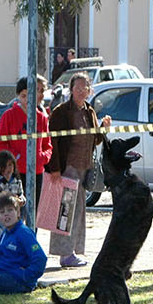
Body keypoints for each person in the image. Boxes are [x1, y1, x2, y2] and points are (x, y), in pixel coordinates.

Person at [47, 73, 111, 268]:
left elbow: (95, 140)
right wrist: (55, 168)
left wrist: (103, 128)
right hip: (68, 169)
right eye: (78, 87)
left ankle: (72, 251)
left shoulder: (89, 111)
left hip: (84, 169)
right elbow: (53, 141)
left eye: (85, 87)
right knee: (65, 212)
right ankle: (65, 254)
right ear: (71, 89)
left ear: (90, 90)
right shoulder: (61, 112)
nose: (81, 90)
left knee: (78, 212)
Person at [0, 75, 53, 206]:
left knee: (34, 210)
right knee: (16, 210)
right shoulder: (8, 116)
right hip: (16, 172)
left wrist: (42, 158)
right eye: (23, 95)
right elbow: (1, 144)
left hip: (37, 171)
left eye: (31, 95)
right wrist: (16, 158)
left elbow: (47, 145)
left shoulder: (42, 118)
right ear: (18, 96)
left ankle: (33, 228)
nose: (27, 99)